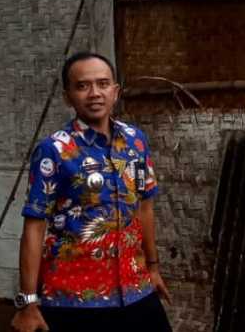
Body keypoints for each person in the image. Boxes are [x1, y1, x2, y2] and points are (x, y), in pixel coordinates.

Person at [11, 52, 172, 332]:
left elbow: (145, 207)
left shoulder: (136, 141)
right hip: (73, 300)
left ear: (115, 91)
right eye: (83, 86)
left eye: (103, 83)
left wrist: (154, 268)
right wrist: (27, 303)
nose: (95, 93)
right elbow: (34, 228)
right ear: (68, 96)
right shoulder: (54, 150)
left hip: (137, 289)